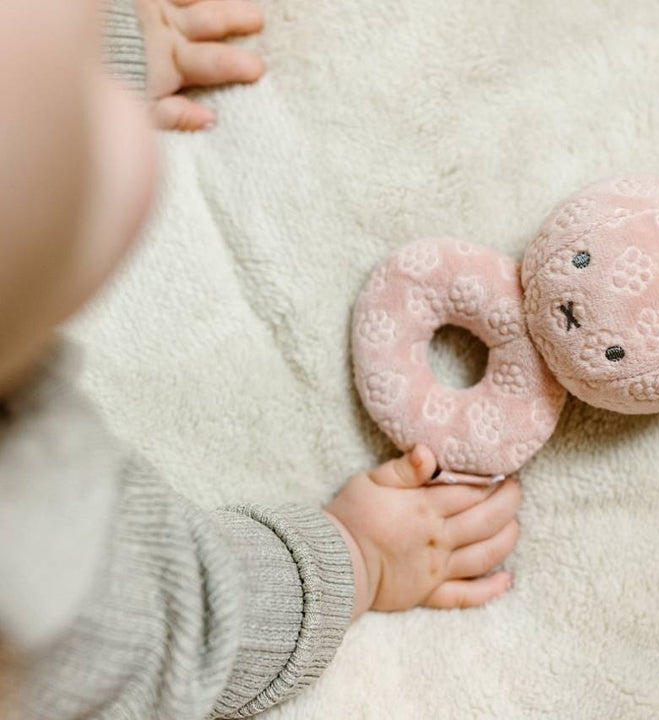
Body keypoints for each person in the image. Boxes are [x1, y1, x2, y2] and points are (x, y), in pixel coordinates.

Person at [0, 2, 522, 718]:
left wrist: (92, 52)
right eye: (77, 134)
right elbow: (191, 624)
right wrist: (355, 556)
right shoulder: (40, 560)